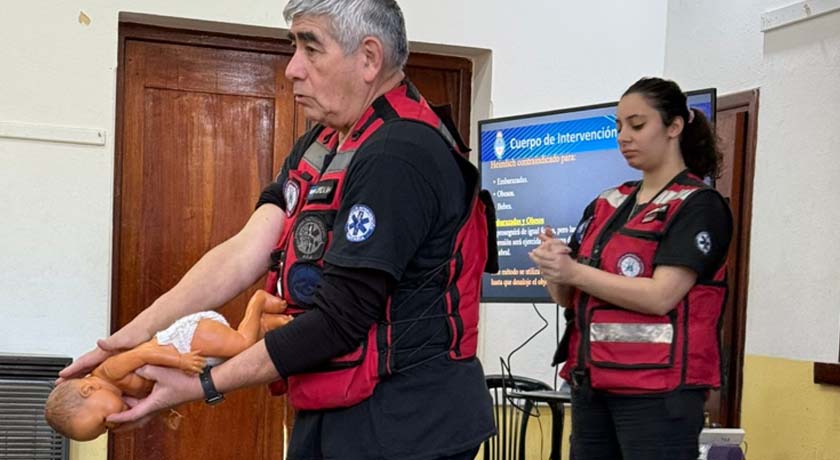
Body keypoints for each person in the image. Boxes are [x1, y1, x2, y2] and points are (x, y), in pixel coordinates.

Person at [58, 1, 496, 459]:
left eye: (311, 48)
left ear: (369, 58)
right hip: (338, 407)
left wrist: (201, 384)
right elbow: (245, 250)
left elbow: (338, 323)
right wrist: (132, 336)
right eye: (294, 46)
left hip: (407, 424)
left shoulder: (399, 152)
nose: (292, 69)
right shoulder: (322, 142)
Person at [529, 77, 733, 460]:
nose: (624, 136)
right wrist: (554, 267)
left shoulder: (697, 205)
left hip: (659, 392)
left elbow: (661, 296)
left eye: (637, 125)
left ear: (674, 127)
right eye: (619, 126)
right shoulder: (607, 202)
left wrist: (573, 272)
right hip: (593, 385)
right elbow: (568, 297)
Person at [46, 290, 291, 441]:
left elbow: (146, 353)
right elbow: (157, 391)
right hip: (196, 357)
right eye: (106, 430)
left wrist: (180, 360)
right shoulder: (123, 392)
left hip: (188, 341)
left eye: (102, 419)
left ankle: (257, 302)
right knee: (240, 357)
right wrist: (166, 412)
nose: (112, 421)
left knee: (241, 345)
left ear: (88, 389)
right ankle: (266, 324)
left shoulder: (111, 371)